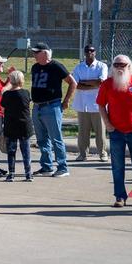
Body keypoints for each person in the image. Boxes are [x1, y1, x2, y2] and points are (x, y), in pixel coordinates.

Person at [97, 55, 132, 208]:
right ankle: (120, 197)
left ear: (129, 66)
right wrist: (107, 124)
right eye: (116, 64)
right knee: (117, 166)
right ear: (112, 67)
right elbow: (101, 105)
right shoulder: (107, 84)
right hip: (116, 132)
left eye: (123, 64)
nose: (120, 67)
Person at [29, 42, 76, 177]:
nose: (34, 55)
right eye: (34, 52)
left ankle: (63, 167)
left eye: (37, 52)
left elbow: (73, 82)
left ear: (45, 53)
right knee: (41, 139)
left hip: (52, 106)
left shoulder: (56, 66)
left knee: (56, 138)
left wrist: (66, 100)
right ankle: (46, 166)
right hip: (37, 106)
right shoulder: (35, 67)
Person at [72, 44, 109, 162]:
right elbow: (76, 84)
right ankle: (82, 154)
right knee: (83, 133)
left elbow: (101, 82)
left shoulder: (102, 66)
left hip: (98, 105)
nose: (89, 53)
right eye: (87, 51)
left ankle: (102, 153)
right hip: (82, 104)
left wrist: (85, 83)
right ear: (84, 53)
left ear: (95, 52)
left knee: (100, 132)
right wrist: (93, 84)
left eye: (92, 51)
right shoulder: (79, 67)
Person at [1, 70, 33, 181]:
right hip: (24, 124)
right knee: (26, 150)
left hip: (11, 124)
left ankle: (11, 173)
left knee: (11, 150)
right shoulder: (26, 93)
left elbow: (3, 108)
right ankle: (28, 173)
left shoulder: (7, 94)